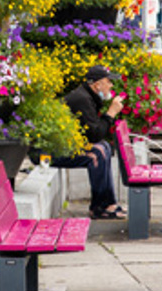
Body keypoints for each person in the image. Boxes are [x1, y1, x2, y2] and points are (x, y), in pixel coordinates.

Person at [51, 66, 126, 220]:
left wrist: (108, 114)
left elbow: (95, 134)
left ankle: (108, 202)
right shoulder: (82, 99)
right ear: (97, 85)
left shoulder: (88, 97)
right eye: (108, 82)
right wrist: (111, 113)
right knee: (96, 153)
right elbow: (95, 134)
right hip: (49, 154)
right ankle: (98, 207)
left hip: (64, 147)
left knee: (104, 147)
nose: (111, 86)